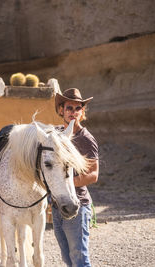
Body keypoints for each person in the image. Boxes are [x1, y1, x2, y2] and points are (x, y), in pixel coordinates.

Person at [52, 88, 99, 267]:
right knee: (67, 258)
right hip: (57, 206)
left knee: (79, 258)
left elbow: (93, 175)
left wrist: (65, 184)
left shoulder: (85, 139)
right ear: (61, 110)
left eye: (77, 108)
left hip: (78, 206)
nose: (73, 112)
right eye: (69, 108)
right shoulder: (55, 135)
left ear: (82, 112)